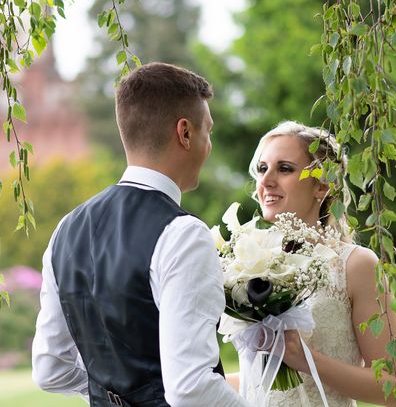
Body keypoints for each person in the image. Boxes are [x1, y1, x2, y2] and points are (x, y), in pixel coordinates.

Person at [32, 62, 250, 407]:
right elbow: (190, 387)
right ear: (185, 133)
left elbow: (50, 369)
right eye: (207, 131)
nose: (209, 144)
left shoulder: (66, 229)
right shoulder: (183, 234)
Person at [226, 121, 396, 407]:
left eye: (284, 169)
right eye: (262, 169)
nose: (267, 180)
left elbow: (392, 388)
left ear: (322, 185)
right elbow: (262, 380)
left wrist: (305, 358)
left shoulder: (356, 265)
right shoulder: (250, 263)